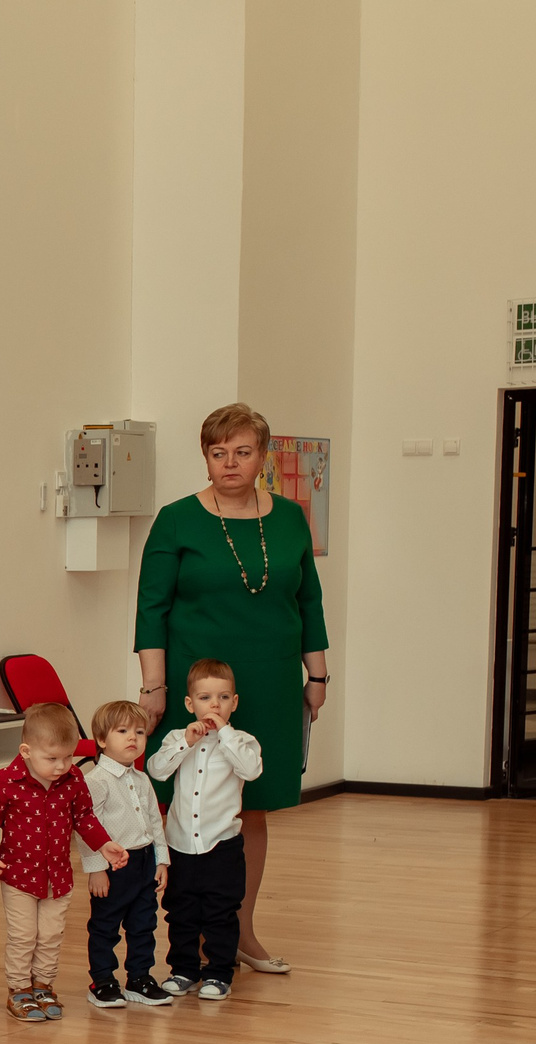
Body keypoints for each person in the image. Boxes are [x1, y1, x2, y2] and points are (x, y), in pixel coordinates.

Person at [135, 402, 329, 974]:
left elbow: (309, 600)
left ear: (262, 456)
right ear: (206, 458)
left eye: (242, 452)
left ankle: (240, 929)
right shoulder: (176, 519)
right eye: (218, 453)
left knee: (254, 806)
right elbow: (152, 608)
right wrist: (153, 687)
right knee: (183, 802)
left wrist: (317, 675)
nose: (230, 463)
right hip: (196, 682)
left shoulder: (291, 517)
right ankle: (188, 933)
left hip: (268, 679)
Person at [0, 704, 127, 1023]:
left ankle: (43, 985)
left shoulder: (73, 780)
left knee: (51, 934)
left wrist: (105, 844)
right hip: (18, 877)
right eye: (52, 759)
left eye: (68, 757)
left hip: (58, 877)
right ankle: (18, 989)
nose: (62, 766)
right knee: (24, 934)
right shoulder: (5, 780)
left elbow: (84, 817)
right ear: (26, 751)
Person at [146, 658, 264, 1000]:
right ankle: (183, 970)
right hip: (180, 844)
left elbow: (252, 770)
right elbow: (157, 770)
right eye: (205, 698)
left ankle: (218, 974)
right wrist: (186, 741)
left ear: (234, 703)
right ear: (190, 703)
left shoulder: (242, 741)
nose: (214, 705)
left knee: (220, 912)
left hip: (221, 846)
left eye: (223, 698)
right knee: (180, 911)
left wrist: (224, 734)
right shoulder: (176, 738)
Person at [75, 703, 173, 1012]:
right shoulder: (96, 781)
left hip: (144, 863)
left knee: (143, 923)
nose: (133, 738)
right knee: (105, 926)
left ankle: (139, 978)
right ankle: (102, 980)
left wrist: (161, 860)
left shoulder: (141, 780)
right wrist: (96, 869)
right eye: (123, 731)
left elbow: (155, 823)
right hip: (114, 867)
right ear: (102, 740)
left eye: (139, 732)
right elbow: (87, 829)